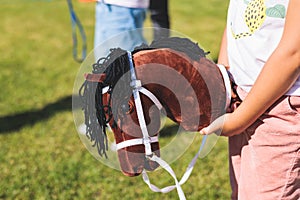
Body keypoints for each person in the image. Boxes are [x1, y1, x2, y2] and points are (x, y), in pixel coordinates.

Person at [200, 0, 300, 199]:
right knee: (243, 192)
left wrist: (238, 121)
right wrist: (224, 78)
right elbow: (236, 20)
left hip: (281, 108)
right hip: (244, 98)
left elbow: (293, 53)